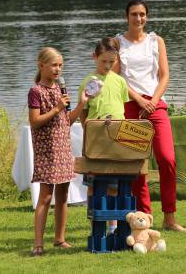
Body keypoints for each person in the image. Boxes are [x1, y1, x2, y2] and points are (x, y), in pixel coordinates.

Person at [114, 0, 186, 233]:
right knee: (138, 166)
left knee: (167, 159)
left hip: (156, 105)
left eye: (142, 14)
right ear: (127, 16)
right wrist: (138, 100)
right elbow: (116, 79)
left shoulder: (157, 41)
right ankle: (143, 218)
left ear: (147, 16)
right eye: (134, 14)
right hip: (130, 106)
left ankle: (170, 218)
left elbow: (164, 76)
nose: (138, 18)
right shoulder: (117, 43)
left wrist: (153, 101)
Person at [27, 47, 88, 256]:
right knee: (45, 196)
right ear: (41, 65)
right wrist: (57, 108)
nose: (58, 69)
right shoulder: (36, 91)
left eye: (60, 65)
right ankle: (38, 243)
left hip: (63, 147)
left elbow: (66, 121)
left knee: (63, 195)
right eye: (54, 65)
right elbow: (34, 122)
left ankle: (60, 239)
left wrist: (80, 104)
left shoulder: (61, 89)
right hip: (47, 149)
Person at [78, 37, 130, 234]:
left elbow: (121, 109)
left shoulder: (120, 82)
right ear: (95, 57)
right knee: (93, 184)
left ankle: (113, 226)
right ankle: (95, 225)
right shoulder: (87, 83)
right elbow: (83, 113)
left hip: (116, 140)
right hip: (95, 141)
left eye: (112, 61)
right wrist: (90, 133)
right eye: (104, 61)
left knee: (114, 185)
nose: (108, 65)